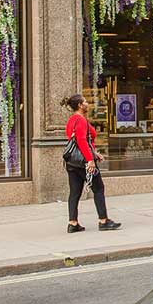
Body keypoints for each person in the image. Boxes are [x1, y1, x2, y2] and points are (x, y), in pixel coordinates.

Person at [63, 93, 121, 234]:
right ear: (79, 105)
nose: (87, 103)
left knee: (74, 192)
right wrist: (90, 160)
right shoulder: (81, 120)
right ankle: (103, 221)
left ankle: (73, 223)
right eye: (85, 102)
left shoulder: (72, 120)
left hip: (72, 162)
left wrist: (95, 154)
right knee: (99, 189)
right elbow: (82, 141)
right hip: (84, 162)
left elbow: (76, 141)